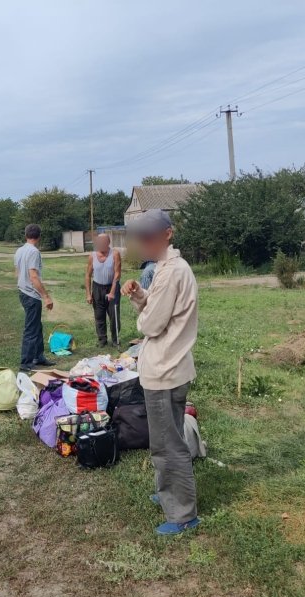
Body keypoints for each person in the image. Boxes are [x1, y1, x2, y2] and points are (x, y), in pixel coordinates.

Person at [121, 209, 199, 536]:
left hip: (164, 369)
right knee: (168, 438)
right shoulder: (166, 268)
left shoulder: (171, 272)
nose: (144, 243)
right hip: (171, 367)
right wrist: (140, 296)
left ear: (168, 234)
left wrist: (143, 316)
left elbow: (151, 323)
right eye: (141, 237)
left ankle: (183, 514)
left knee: (168, 445)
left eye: (150, 236)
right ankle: (168, 492)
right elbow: (154, 307)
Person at [14, 224, 56, 372]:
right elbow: (33, 276)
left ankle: (39, 357)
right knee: (31, 329)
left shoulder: (19, 250)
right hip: (31, 295)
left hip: (23, 292)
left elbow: (17, 272)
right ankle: (26, 362)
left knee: (37, 326)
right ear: (39, 237)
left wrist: (22, 286)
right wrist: (46, 297)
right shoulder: (34, 252)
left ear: (26, 235)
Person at [84, 233, 122, 347]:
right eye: (98, 242)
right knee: (99, 315)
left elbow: (117, 273)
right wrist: (88, 294)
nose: (100, 244)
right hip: (97, 287)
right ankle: (102, 340)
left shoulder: (115, 254)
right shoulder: (92, 256)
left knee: (114, 315)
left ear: (108, 242)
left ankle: (115, 340)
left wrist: (112, 292)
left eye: (103, 242)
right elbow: (87, 275)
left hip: (112, 287)